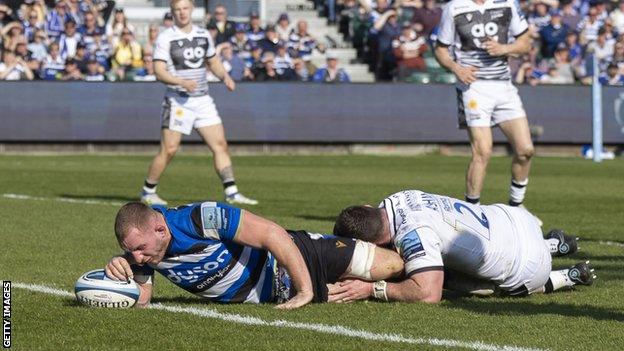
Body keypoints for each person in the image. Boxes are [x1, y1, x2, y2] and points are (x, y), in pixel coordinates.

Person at [104, 201, 404, 309]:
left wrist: (305, 291)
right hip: (276, 293)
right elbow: (142, 299)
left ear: (160, 228)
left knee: (397, 266)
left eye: (139, 250)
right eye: (130, 252)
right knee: (362, 285)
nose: (138, 258)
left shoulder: (200, 218)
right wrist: (118, 275)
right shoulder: (144, 254)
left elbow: (273, 234)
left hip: (302, 254)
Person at [330, 190, 596, 303]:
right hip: (515, 218)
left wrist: (372, 288)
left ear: (372, 244)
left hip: (528, 264)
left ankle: (566, 276)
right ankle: (553, 244)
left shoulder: (413, 234)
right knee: (439, 256)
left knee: (437, 275)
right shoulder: (398, 196)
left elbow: (428, 294)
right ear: (368, 207)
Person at [140, 0, 257, 206]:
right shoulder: (166, 37)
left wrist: (226, 77)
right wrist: (181, 82)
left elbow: (213, 62)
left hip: (202, 100)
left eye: (185, 8)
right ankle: (148, 190)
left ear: (192, 10)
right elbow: (159, 71)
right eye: (178, 9)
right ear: (172, 12)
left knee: (220, 145)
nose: (182, 13)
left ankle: (232, 191)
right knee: (169, 149)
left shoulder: (203, 35)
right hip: (178, 100)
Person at [434, 0, 538, 217]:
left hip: (504, 87)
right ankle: (471, 212)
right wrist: (456, 68)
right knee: (483, 151)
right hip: (474, 87)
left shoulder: (507, 3)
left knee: (525, 150)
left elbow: (526, 43)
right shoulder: (454, 7)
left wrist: (504, 48)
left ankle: (516, 207)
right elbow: (441, 49)